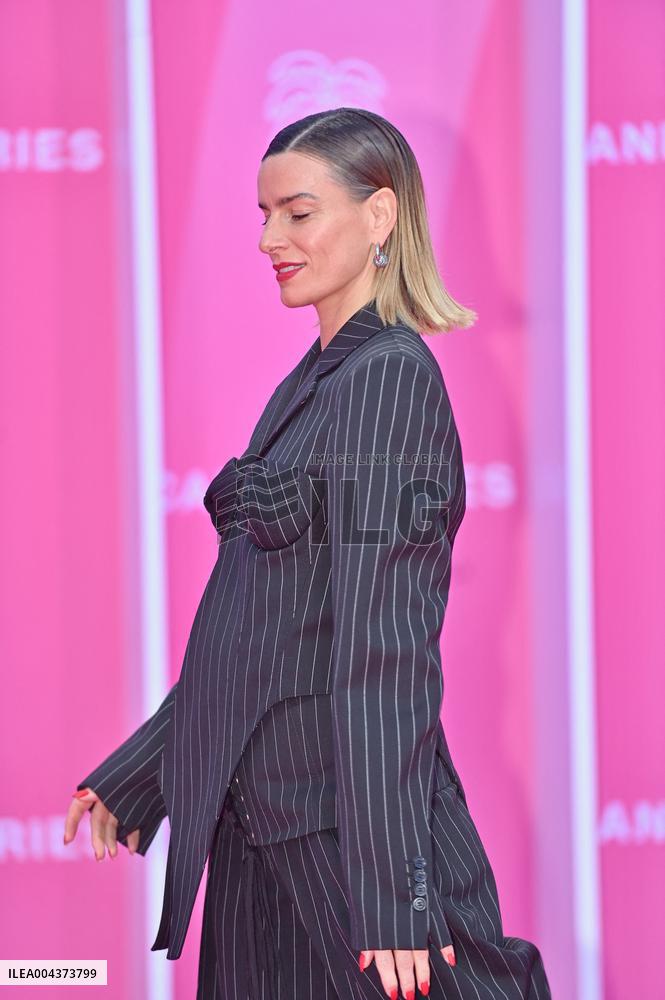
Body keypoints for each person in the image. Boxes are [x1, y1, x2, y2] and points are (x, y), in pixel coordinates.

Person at [65, 107, 552, 999]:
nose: (268, 239)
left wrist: (397, 899)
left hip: (347, 845)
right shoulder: (309, 383)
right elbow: (265, 631)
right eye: (262, 215)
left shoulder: (391, 378)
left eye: (296, 212)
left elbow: (384, 655)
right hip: (257, 837)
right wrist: (145, 773)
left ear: (378, 216)